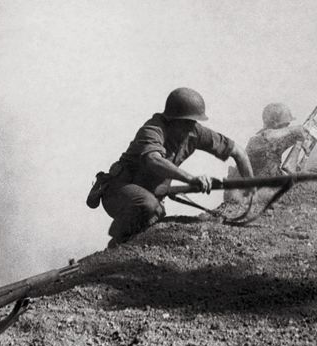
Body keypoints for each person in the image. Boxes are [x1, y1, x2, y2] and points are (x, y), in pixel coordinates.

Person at [90, 87, 254, 247]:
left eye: (193, 121)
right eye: (185, 122)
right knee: (148, 207)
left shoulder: (194, 131)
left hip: (150, 197)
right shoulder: (153, 129)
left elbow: (238, 152)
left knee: (153, 216)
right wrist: (191, 178)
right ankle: (117, 244)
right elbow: (153, 160)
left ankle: (128, 241)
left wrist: (251, 187)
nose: (189, 127)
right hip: (118, 191)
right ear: (171, 119)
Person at [246, 102, 307, 177]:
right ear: (274, 123)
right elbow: (267, 136)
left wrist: (300, 149)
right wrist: (295, 131)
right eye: (286, 125)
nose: (288, 128)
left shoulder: (274, 145)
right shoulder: (257, 141)